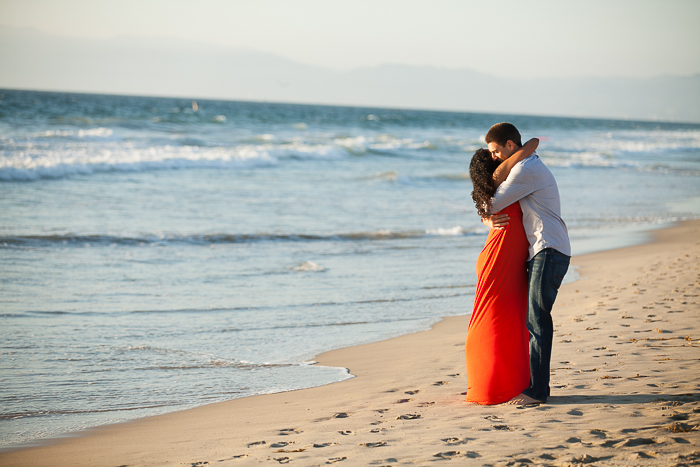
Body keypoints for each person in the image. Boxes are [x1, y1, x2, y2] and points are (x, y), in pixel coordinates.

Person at [484, 122, 571, 405]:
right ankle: (534, 385)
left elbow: (493, 203)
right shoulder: (527, 163)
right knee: (534, 320)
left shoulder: (525, 170)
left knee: (537, 321)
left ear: (510, 146)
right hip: (547, 249)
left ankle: (538, 391)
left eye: (496, 151)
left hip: (549, 250)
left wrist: (486, 212)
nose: (493, 157)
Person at [465, 138, 539, 405]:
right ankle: (494, 386)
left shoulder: (498, 191)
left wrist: (485, 217)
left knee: (502, 319)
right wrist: (523, 148)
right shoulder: (501, 177)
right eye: (493, 156)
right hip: (501, 255)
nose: (498, 158)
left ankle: (497, 382)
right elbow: (532, 144)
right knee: (497, 319)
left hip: (500, 254)